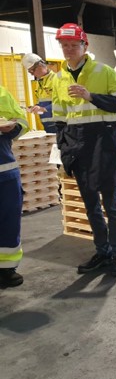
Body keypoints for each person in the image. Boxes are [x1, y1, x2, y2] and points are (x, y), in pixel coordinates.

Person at [50, 23, 116, 276]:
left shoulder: (103, 72)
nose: (69, 50)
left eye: (74, 45)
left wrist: (91, 96)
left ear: (86, 46)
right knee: (90, 204)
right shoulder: (59, 79)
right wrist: (64, 150)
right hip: (76, 145)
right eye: (65, 46)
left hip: (103, 143)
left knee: (111, 203)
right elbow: (60, 119)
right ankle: (102, 251)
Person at [0, 85, 29, 288]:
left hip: (6, 170)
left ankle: (7, 269)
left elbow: (22, 120)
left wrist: (13, 128)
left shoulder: (1, 93)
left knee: (9, 221)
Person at [21, 53, 56, 133]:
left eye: (32, 70)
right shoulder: (39, 84)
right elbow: (42, 103)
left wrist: (44, 109)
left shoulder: (57, 80)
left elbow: (63, 102)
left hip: (61, 125)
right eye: (29, 71)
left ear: (40, 65)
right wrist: (36, 107)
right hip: (48, 126)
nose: (32, 73)